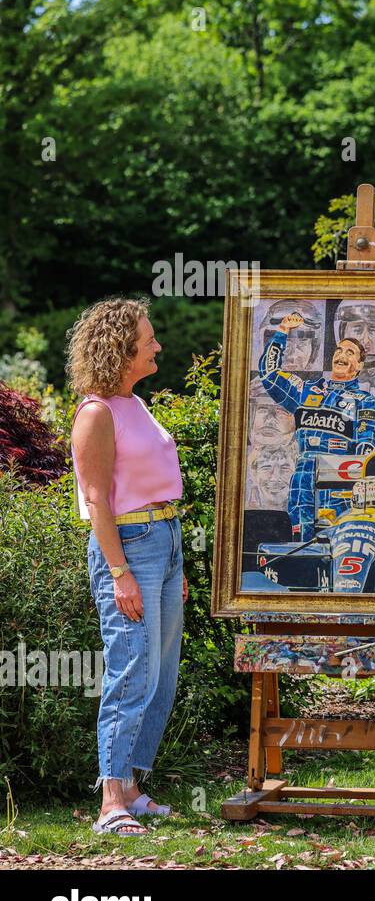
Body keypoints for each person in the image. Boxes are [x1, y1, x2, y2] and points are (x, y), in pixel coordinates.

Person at [67, 296, 187, 838]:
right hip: (129, 545)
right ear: (121, 347)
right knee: (130, 670)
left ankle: (134, 789)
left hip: (165, 540)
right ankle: (110, 799)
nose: (157, 344)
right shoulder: (96, 413)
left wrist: (174, 565)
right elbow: (97, 501)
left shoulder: (135, 404)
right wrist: (120, 572)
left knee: (158, 674)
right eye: (148, 338)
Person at [258, 309, 375, 538]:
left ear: (358, 366)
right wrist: (282, 332)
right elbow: (269, 374)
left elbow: (367, 447)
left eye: (350, 352)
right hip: (303, 479)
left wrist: (361, 486)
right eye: (338, 350)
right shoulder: (306, 390)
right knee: (302, 544)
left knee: (340, 543)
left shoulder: (366, 402)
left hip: (342, 482)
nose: (342, 355)